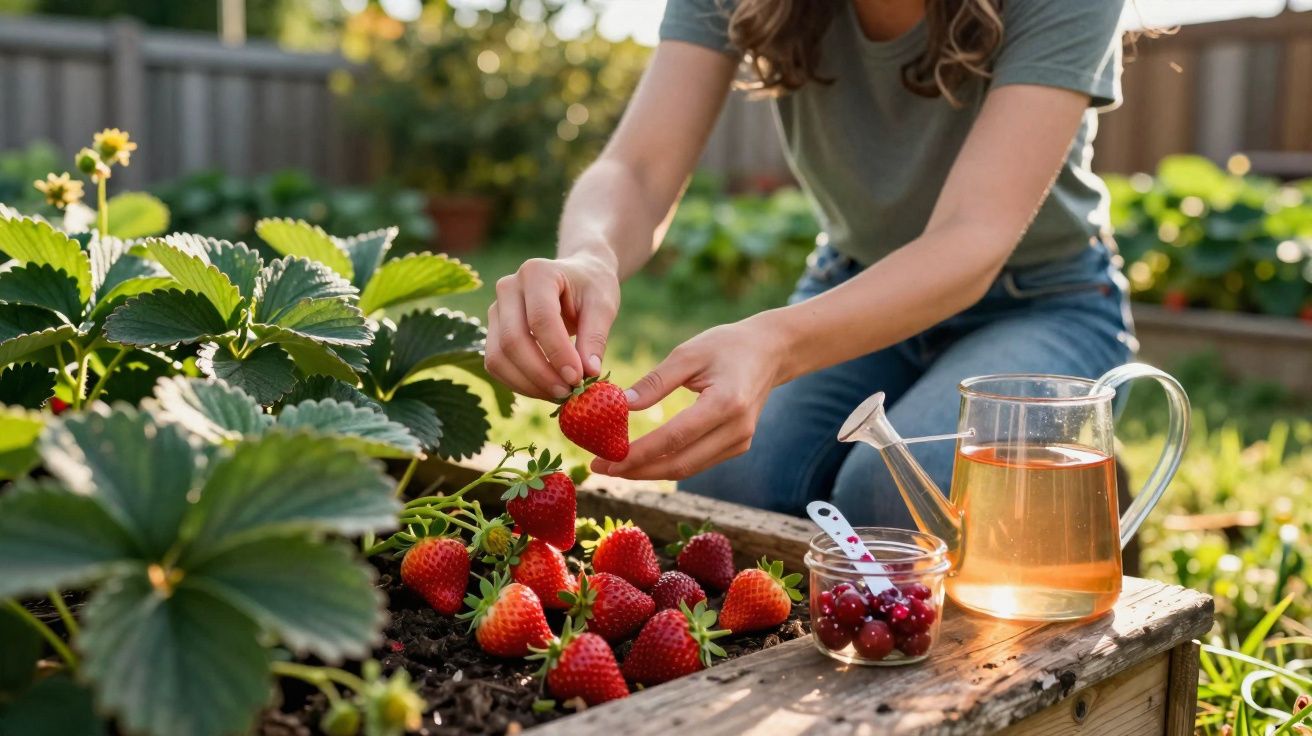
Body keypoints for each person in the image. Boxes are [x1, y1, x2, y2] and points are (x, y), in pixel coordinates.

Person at [484, 0, 1135, 527]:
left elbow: (972, 237)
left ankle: (1083, 485)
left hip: (1040, 299)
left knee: (890, 497)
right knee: (724, 490)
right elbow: (638, 168)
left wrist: (774, 341)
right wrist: (589, 256)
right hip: (850, 284)